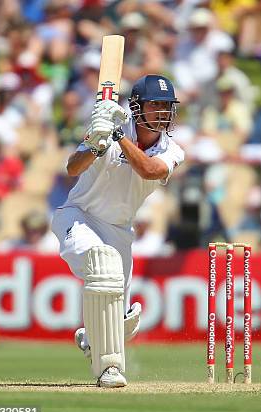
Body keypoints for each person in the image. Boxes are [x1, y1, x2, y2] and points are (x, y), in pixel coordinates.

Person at [51, 75, 184, 387]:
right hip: (78, 216)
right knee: (103, 266)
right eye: (156, 104)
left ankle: (92, 336)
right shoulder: (107, 129)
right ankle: (109, 369)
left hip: (119, 230)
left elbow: (150, 170)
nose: (163, 112)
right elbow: (72, 168)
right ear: (136, 107)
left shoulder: (173, 150)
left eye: (167, 106)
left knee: (123, 322)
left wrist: (116, 136)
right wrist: (96, 143)